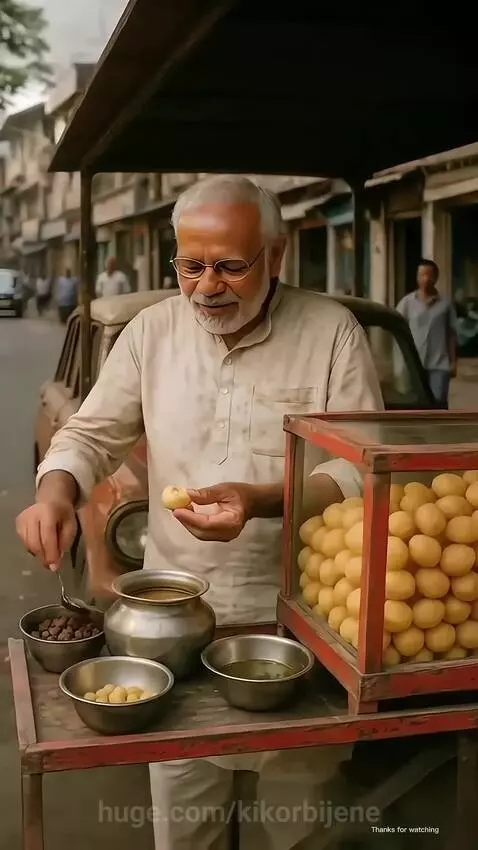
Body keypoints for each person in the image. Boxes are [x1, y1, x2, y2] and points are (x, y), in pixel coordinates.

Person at [16, 175, 383, 850]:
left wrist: (265, 500)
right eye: (191, 265)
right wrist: (56, 491)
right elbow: (91, 434)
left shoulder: (332, 333)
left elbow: (361, 469)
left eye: (230, 266)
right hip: (172, 634)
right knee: (185, 831)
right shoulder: (152, 332)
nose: (208, 285)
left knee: (300, 830)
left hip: (303, 629)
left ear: (275, 256)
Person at [396, 259, 458, 407]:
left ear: (436, 277)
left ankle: (441, 430)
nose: (425, 279)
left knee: (439, 403)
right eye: (421, 275)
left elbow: (451, 334)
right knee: (414, 405)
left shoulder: (445, 305)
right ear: (417, 277)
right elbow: (398, 332)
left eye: (429, 275)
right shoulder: (406, 303)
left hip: (439, 364)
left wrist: (454, 362)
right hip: (414, 364)